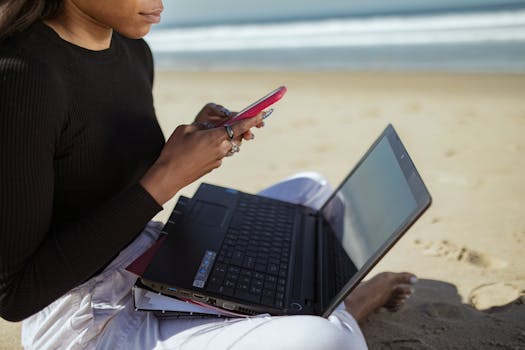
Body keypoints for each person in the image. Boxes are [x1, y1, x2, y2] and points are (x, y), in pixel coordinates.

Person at [0, 1, 417, 348]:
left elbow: (93, 169)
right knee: (324, 341)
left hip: (149, 257)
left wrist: (193, 143)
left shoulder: (132, 49)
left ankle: (308, 303)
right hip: (85, 316)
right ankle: (346, 307)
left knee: (315, 191)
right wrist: (168, 176)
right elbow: (15, 295)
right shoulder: (22, 77)